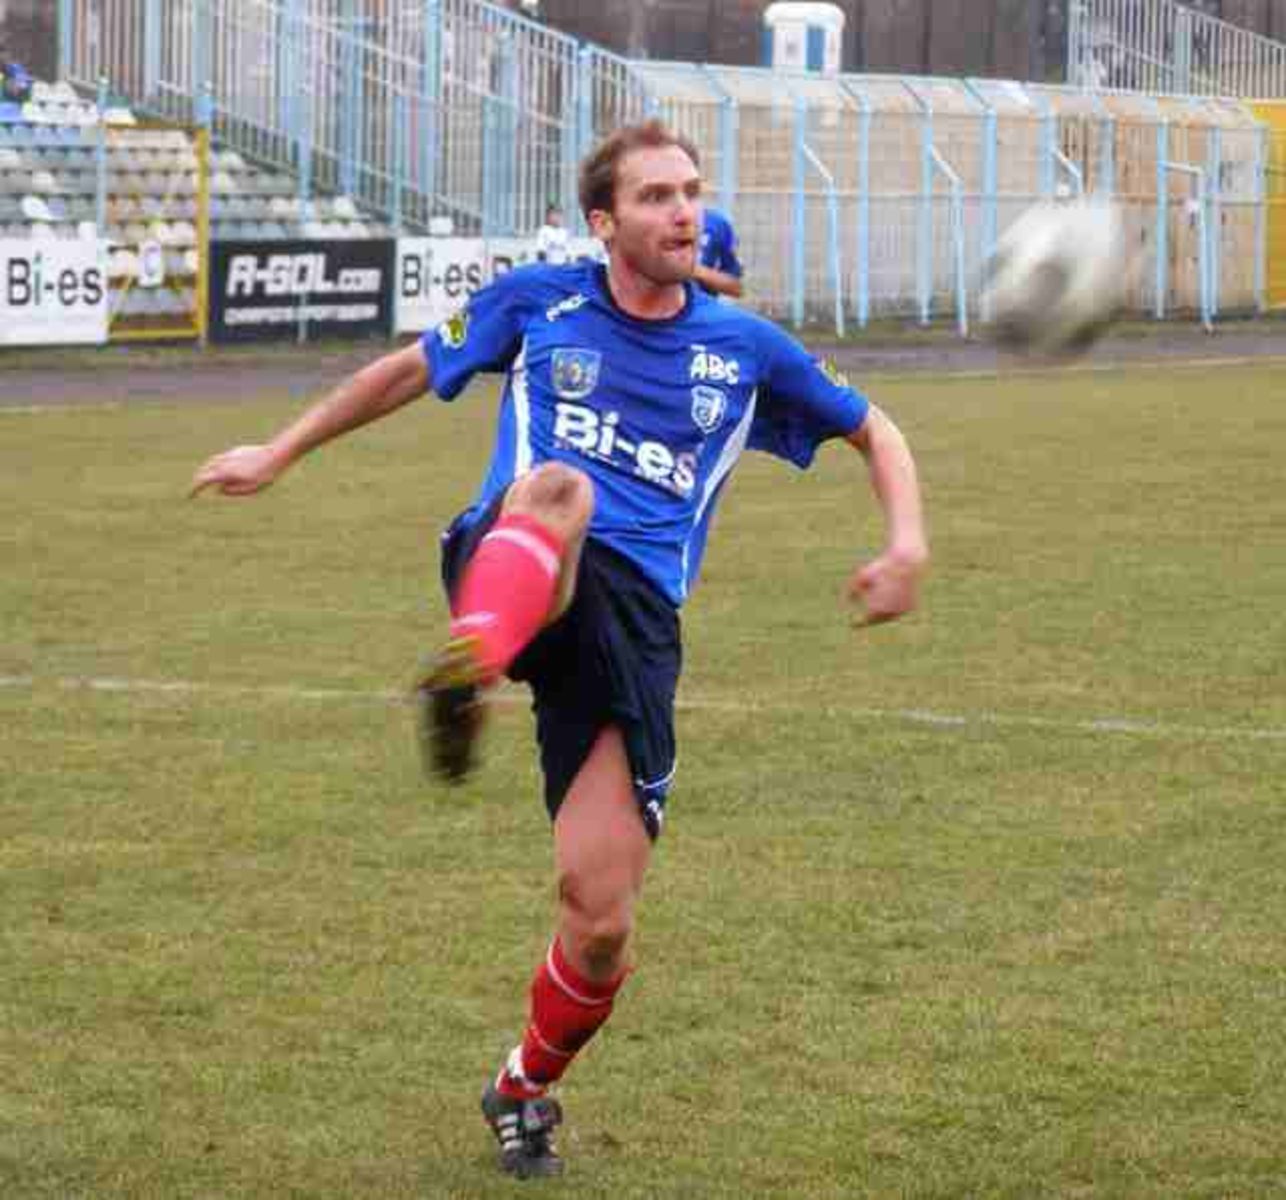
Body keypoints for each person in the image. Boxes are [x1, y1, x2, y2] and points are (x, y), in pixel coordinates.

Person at [190, 118, 928, 1180]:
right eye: (653, 196)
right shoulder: (541, 300)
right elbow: (406, 371)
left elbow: (877, 428)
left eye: (688, 192)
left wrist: (904, 542)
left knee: (598, 922)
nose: (679, 210)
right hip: (517, 549)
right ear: (603, 220)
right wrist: (280, 449)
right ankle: (470, 664)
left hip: (634, 628)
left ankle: (523, 1085)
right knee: (562, 490)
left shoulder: (743, 347)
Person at [693, 204, 744, 299]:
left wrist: (694, 271)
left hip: (700, 310)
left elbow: (735, 287)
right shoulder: (658, 221)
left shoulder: (716, 224)